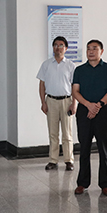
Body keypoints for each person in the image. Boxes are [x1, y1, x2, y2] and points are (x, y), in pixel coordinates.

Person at [72, 39, 107, 196]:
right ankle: (82, 183)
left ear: (101, 51)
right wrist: (88, 105)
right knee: (84, 147)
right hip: (84, 112)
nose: (91, 51)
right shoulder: (79, 70)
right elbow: (75, 91)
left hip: (103, 112)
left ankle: (106, 184)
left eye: (94, 48)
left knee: (104, 148)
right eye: (88, 49)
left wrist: (97, 106)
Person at [37, 36, 78, 171]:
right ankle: (53, 160)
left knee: (67, 134)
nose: (58, 48)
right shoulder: (46, 65)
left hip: (66, 101)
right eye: (55, 45)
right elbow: (42, 85)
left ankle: (69, 160)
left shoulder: (71, 65)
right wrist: (43, 102)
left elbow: (75, 86)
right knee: (53, 133)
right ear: (52, 48)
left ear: (66, 48)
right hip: (51, 101)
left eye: (61, 45)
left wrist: (74, 104)